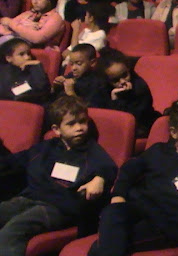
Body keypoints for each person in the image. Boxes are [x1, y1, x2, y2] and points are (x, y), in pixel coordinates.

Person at [87, 100, 178, 256]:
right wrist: (119, 194)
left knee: (102, 247)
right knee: (112, 212)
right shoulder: (158, 151)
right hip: (141, 209)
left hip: (169, 224)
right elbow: (129, 169)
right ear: (174, 133)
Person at [0, 96, 118, 256]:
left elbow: (109, 167)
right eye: (71, 124)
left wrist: (99, 179)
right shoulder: (46, 148)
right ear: (56, 129)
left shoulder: (91, 150)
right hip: (29, 199)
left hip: (59, 208)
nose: (79, 128)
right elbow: (16, 161)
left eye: (82, 122)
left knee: (13, 231)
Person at [99, 49, 159, 138]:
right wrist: (114, 98)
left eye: (125, 75)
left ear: (128, 68)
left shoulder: (140, 87)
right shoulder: (103, 88)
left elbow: (130, 121)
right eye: (115, 80)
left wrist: (117, 101)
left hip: (142, 127)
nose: (122, 81)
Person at [0, 0, 65, 49]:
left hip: (35, 50)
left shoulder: (55, 18)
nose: (34, 2)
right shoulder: (29, 13)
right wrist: (24, 27)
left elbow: (37, 38)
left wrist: (13, 24)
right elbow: (4, 22)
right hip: (14, 42)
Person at [0, 38, 50, 104]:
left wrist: (37, 66)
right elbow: (9, 94)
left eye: (28, 54)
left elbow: (43, 89)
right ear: (9, 58)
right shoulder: (4, 73)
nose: (27, 57)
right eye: (21, 54)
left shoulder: (33, 68)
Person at [62, 1, 110, 69]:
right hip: (66, 66)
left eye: (86, 15)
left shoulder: (100, 35)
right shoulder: (86, 31)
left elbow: (75, 56)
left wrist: (75, 30)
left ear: (91, 18)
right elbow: (65, 53)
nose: (84, 17)